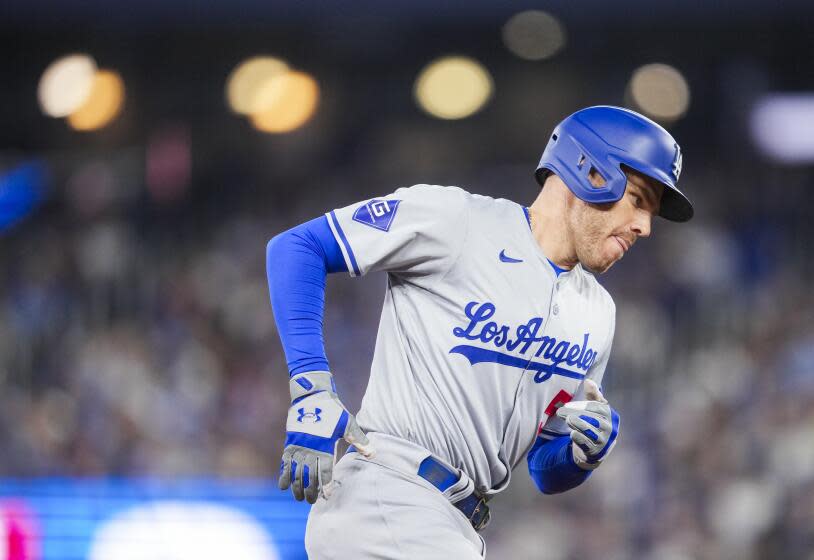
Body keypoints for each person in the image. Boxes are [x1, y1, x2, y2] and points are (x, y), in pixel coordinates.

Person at [266, 105, 693, 558]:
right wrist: (311, 385)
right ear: (590, 171)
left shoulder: (598, 314)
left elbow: (544, 471)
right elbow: (298, 247)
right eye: (639, 200)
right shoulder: (458, 220)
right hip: (387, 496)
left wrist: (581, 455)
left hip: (455, 524)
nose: (645, 226)